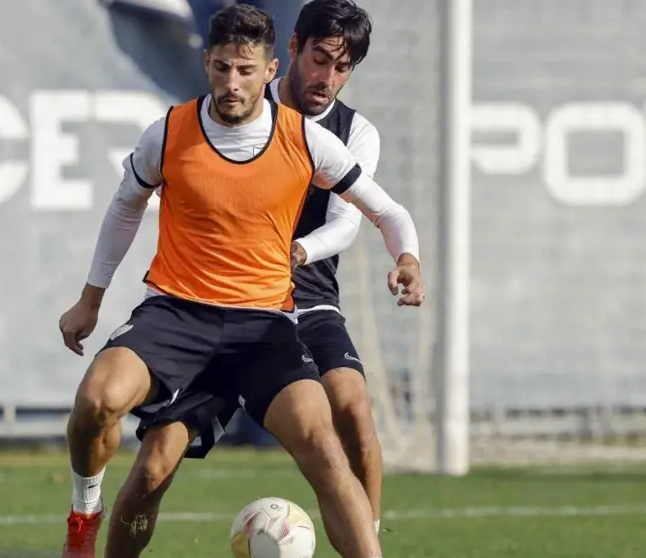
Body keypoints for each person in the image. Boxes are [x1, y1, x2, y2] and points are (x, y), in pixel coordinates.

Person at [58, 5, 422, 558]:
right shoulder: (171, 131)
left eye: (245, 71)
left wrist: (408, 259)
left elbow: (385, 212)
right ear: (207, 62)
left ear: (268, 70)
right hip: (178, 315)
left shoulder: (310, 139)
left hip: (264, 327)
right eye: (223, 68)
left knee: (327, 443)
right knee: (107, 416)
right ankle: (84, 518)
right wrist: (90, 300)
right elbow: (124, 207)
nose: (233, 83)